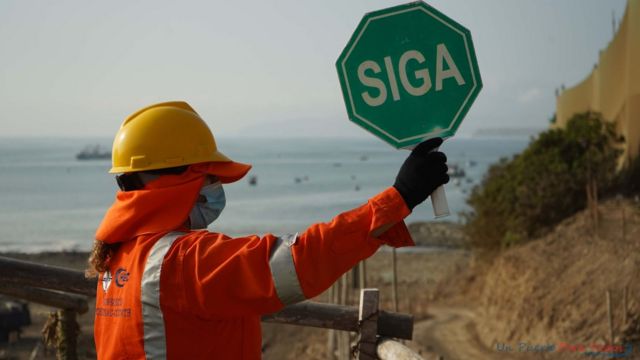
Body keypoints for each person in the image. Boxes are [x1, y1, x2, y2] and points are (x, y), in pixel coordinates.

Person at [88, 101, 449, 359]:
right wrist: (399, 197)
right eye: (210, 177)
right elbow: (301, 260)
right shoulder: (185, 261)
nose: (216, 188)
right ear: (178, 179)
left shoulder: (116, 256)